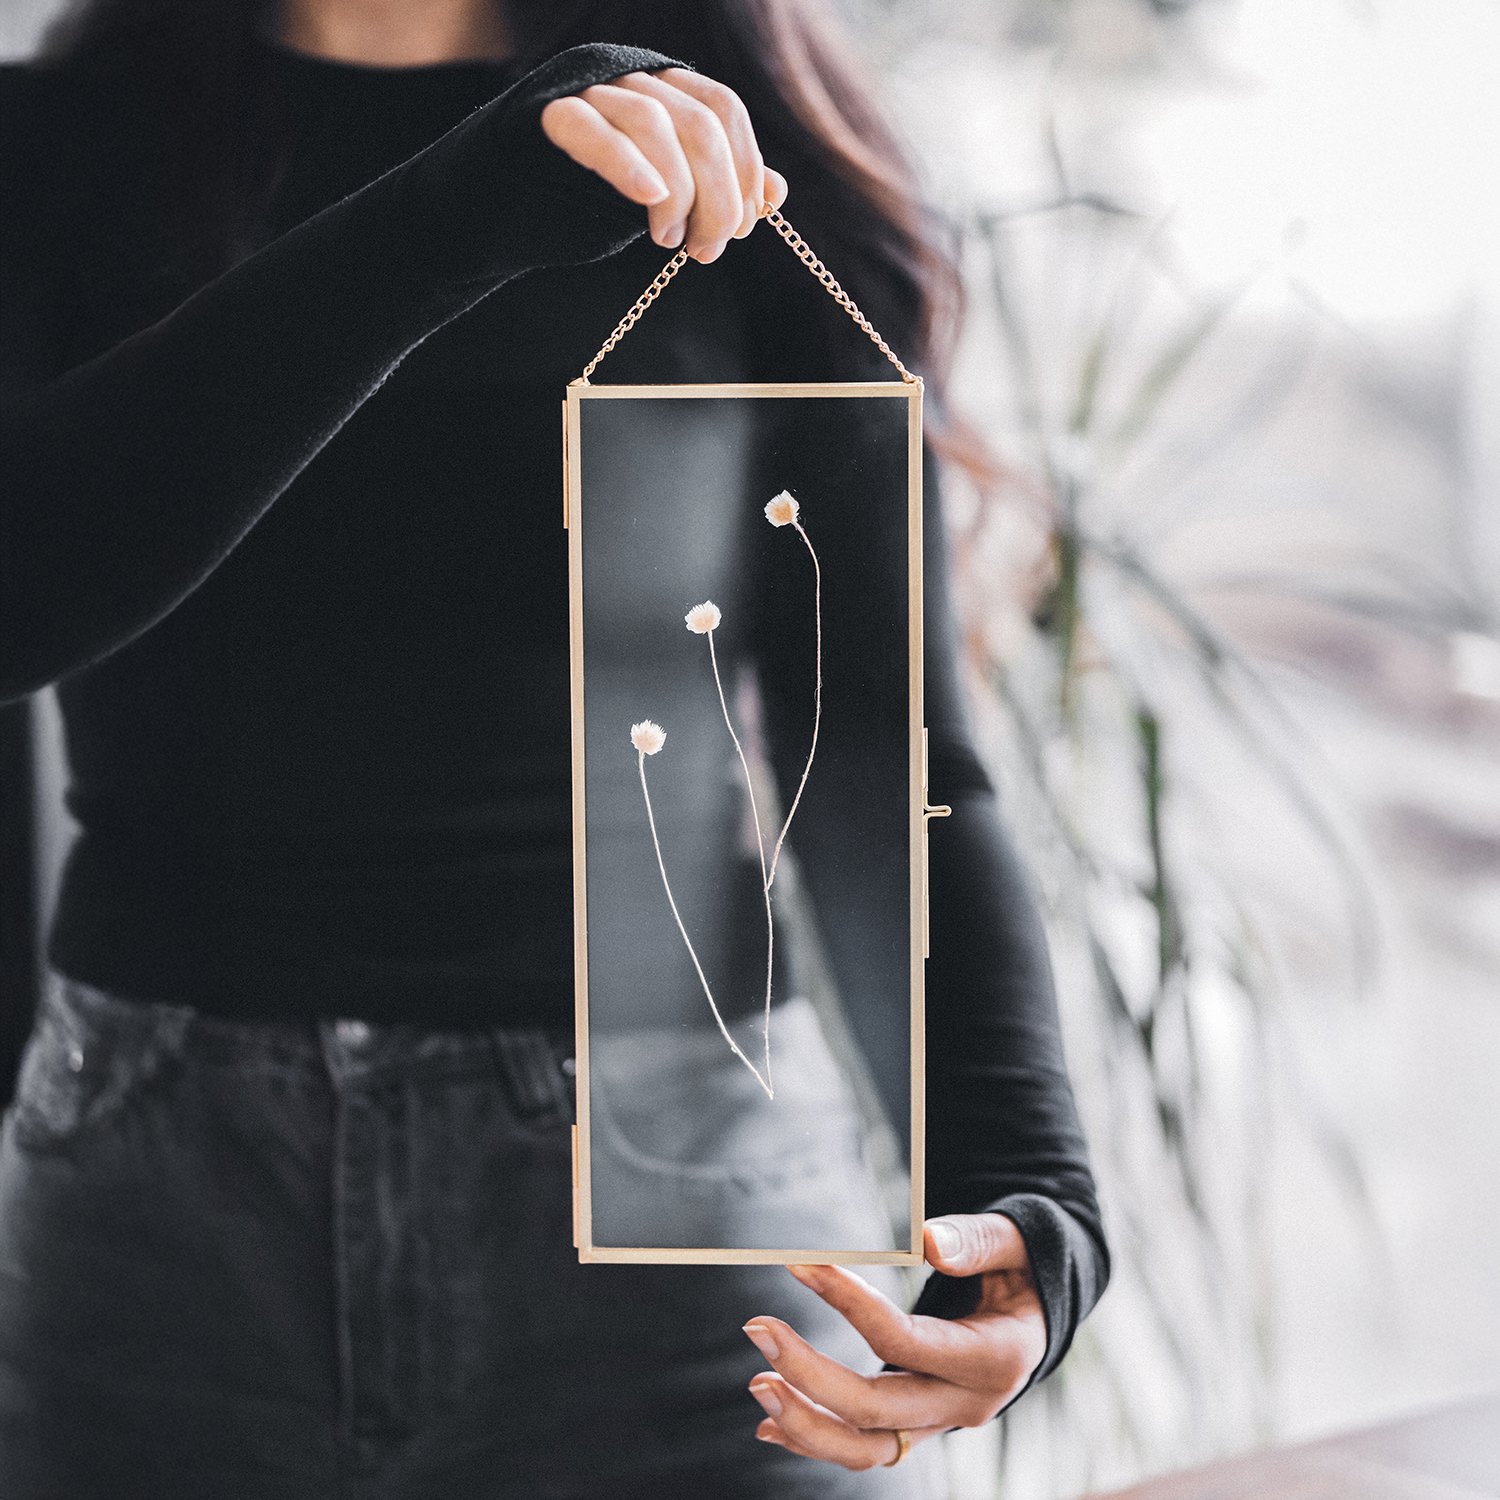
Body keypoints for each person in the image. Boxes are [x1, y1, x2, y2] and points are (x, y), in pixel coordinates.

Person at [0, 0, 1112, 1494]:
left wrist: (1026, 1204)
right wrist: (445, 220)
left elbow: (888, 750)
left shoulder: (732, 161)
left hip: (666, 1190)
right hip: (159, 1211)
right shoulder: (51, 149)